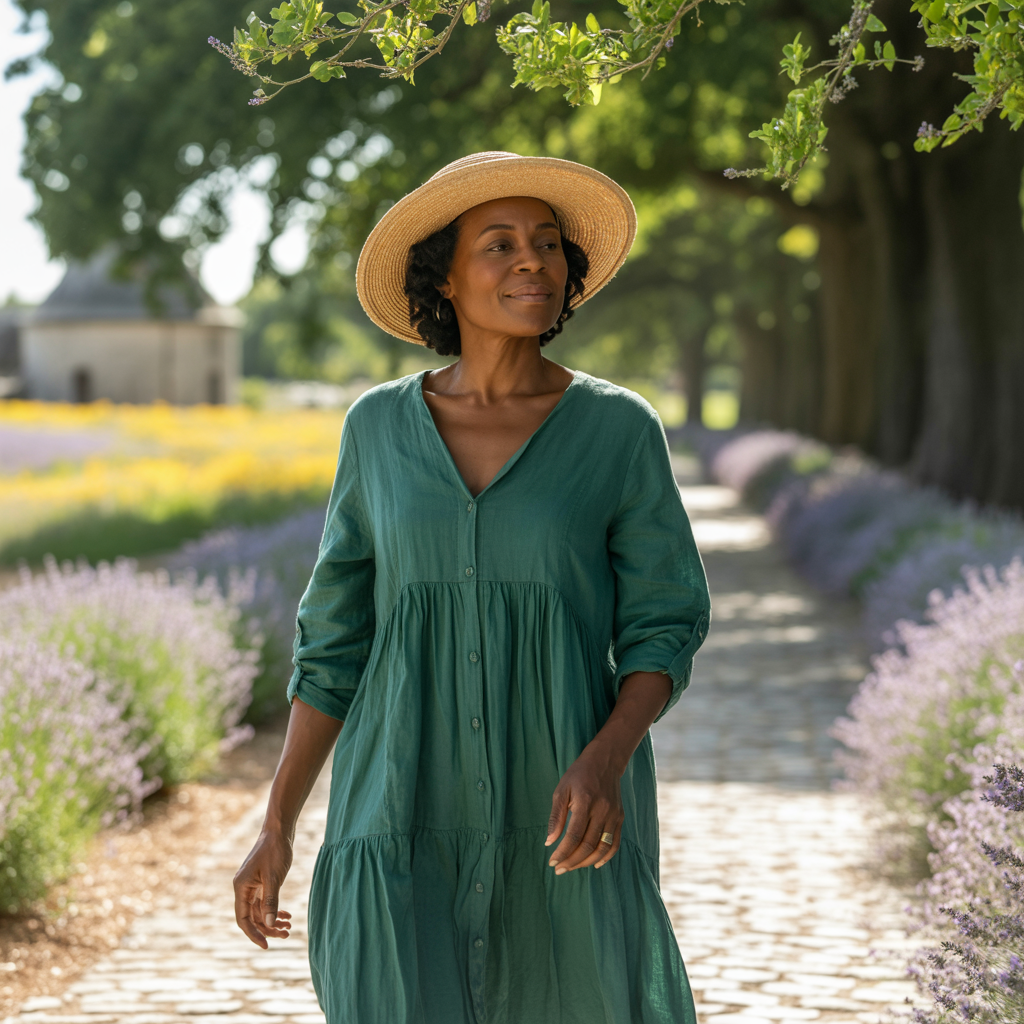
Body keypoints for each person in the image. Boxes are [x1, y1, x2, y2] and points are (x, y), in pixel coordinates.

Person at [232, 151, 712, 1024]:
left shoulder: (617, 430)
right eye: (499, 245)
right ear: (444, 278)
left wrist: (607, 758)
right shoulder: (377, 430)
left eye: (548, 244)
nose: (532, 261)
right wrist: (278, 824)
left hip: (565, 810)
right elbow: (333, 641)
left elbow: (663, 627)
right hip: (398, 802)